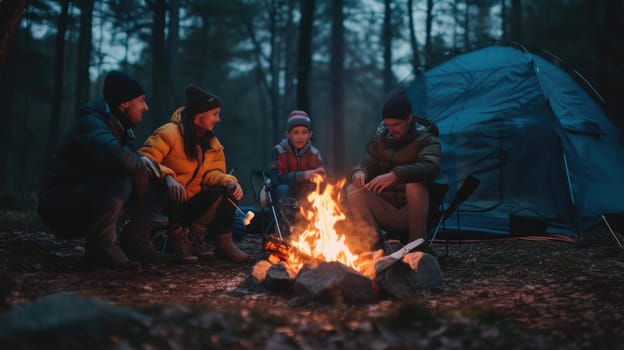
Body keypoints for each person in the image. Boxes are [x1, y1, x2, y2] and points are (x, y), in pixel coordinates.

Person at [37, 71, 159, 269]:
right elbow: (118, 158)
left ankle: (135, 242)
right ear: (124, 103)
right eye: (142, 101)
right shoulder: (92, 124)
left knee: (155, 179)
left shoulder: (120, 126)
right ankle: (102, 249)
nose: (146, 107)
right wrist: (141, 167)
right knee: (121, 177)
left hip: (82, 198)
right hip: (59, 206)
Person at [138, 84, 250, 263]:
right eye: (215, 114)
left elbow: (212, 173)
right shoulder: (169, 133)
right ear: (200, 115)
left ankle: (213, 240)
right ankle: (178, 237)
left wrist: (229, 181)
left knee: (227, 190)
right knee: (173, 188)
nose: (218, 119)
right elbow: (144, 159)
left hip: (191, 205)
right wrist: (168, 177)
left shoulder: (212, 142)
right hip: (166, 202)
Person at [344, 92, 441, 253]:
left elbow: (431, 167)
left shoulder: (426, 139)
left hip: (413, 210)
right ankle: (373, 244)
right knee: (353, 190)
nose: (391, 129)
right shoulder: (380, 139)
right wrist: (359, 173)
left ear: (409, 119)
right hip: (386, 209)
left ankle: (417, 244)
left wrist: (395, 175)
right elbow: (366, 163)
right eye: (388, 124)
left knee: (415, 183)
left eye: (396, 124)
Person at [268, 110, 325, 235]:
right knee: (283, 189)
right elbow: (275, 179)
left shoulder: (314, 153)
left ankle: (309, 231)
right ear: (288, 134)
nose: (300, 136)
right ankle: (286, 232)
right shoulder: (279, 151)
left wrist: (319, 176)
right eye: (296, 132)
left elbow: (321, 176)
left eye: (304, 132)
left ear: (310, 134)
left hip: (303, 193)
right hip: (281, 194)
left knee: (315, 188)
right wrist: (303, 175)